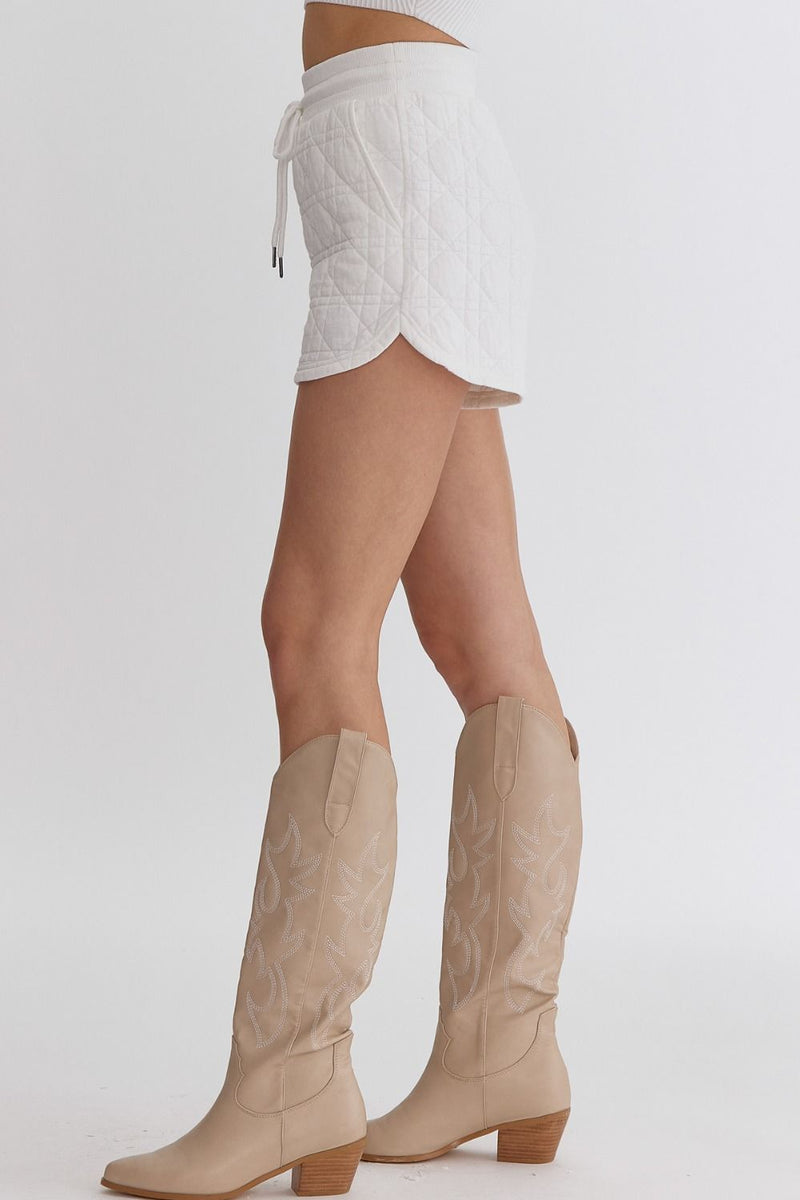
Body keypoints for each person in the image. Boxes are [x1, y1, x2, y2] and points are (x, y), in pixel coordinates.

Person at [100, 4, 583, 1197]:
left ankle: (291, 1080)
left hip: (402, 169)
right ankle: (502, 1048)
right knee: (478, 637)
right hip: (408, 162)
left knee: (313, 628)